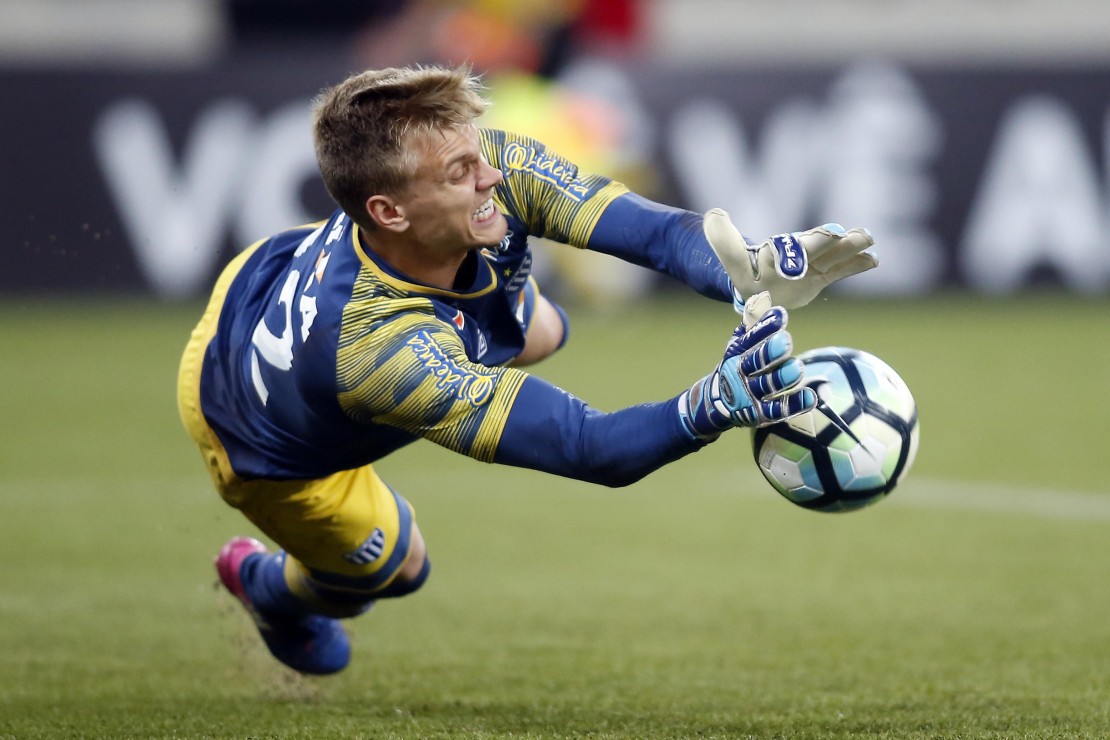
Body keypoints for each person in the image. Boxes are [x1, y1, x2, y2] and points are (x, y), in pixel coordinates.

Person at [176, 64, 877, 676]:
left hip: (261, 276)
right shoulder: (375, 353)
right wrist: (713, 405)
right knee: (399, 569)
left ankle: (483, 316)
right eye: (459, 175)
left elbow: (660, 234)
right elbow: (588, 446)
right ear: (387, 210)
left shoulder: (487, 166)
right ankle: (270, 591)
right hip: (254, 431)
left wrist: (743, 274)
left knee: (540, 330)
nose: (491, 178)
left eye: (477, 155)